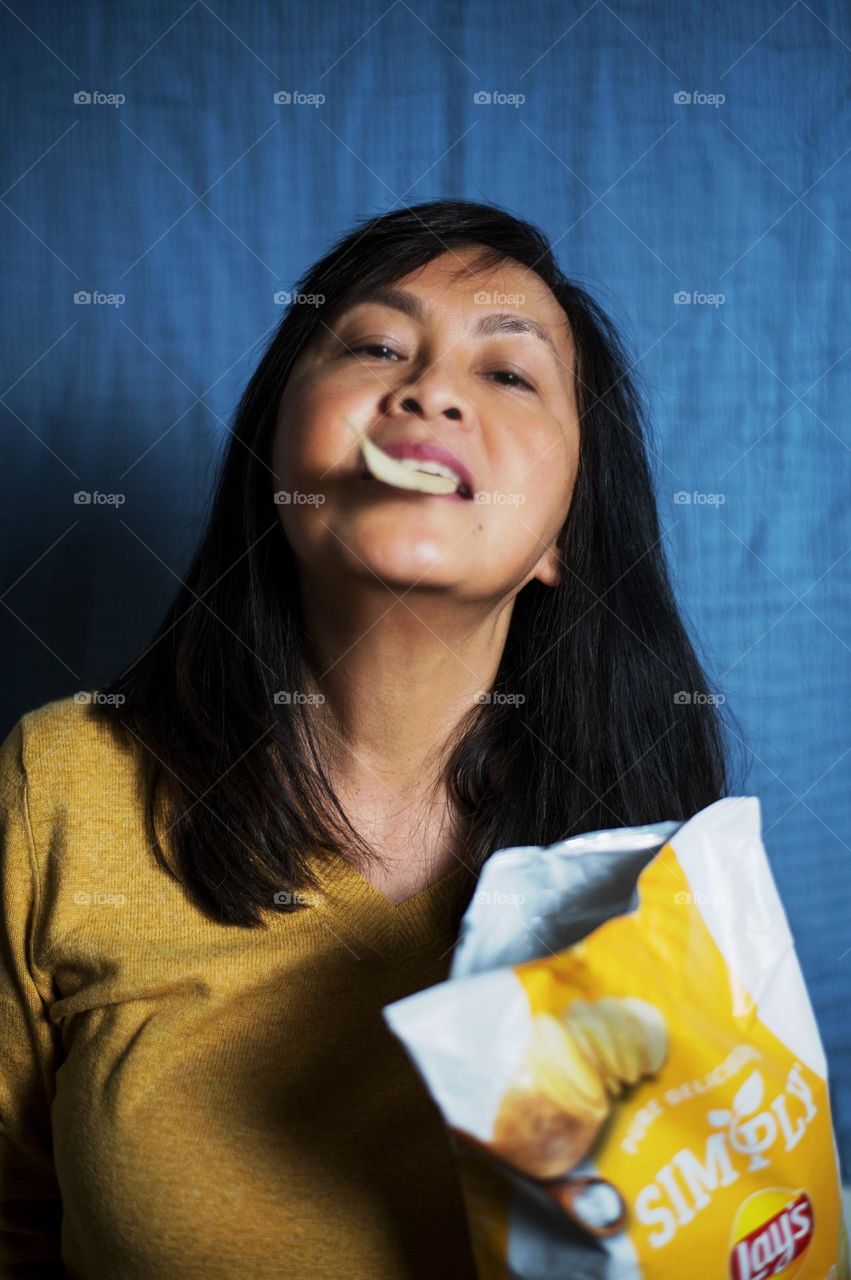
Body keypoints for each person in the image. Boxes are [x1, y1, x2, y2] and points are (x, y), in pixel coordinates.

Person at [0, 199, 735, 1278]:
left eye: (508, 373)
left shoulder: (662, 862)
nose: (428, 388)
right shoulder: (62, 783)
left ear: (565, 541)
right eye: (377, 346)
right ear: (275, 460)